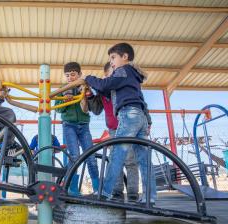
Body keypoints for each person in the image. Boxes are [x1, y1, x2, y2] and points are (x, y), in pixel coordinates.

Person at [83, 43, 156, 204]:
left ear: (125, 57)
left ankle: (106, 192)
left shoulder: (123, 71)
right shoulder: (132, 76)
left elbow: (105, 84)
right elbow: (107, 91)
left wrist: (88, 78)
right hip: (140, 117)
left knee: (117, 153)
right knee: (143, 158)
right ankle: (150, 197)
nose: (112, 62)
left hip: (129, 114)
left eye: (113, 58)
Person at [87, 62, 140, 202]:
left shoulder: (123, 88)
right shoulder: (103, 90)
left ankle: (133, 192)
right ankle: (117, 191)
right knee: (114, 159)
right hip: (113, 129)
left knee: (130, 160)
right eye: (111, 73)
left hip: (127, 126)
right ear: (106, 76)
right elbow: (97, 109)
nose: (114, 76)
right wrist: (90, 96)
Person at [55, 62, 99, 195]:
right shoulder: (62, 89)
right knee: (74, 156)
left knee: (90, 156)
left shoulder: (85, 88)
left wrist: (86, 94)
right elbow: (59, 110)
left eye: (73, 75)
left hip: (84, 126)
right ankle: (72, 189)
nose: (70, 78)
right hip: (69, 125)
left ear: (79, 74)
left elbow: (90, 108)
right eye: (67, 75)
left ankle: (98, 189)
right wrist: (64, 101)